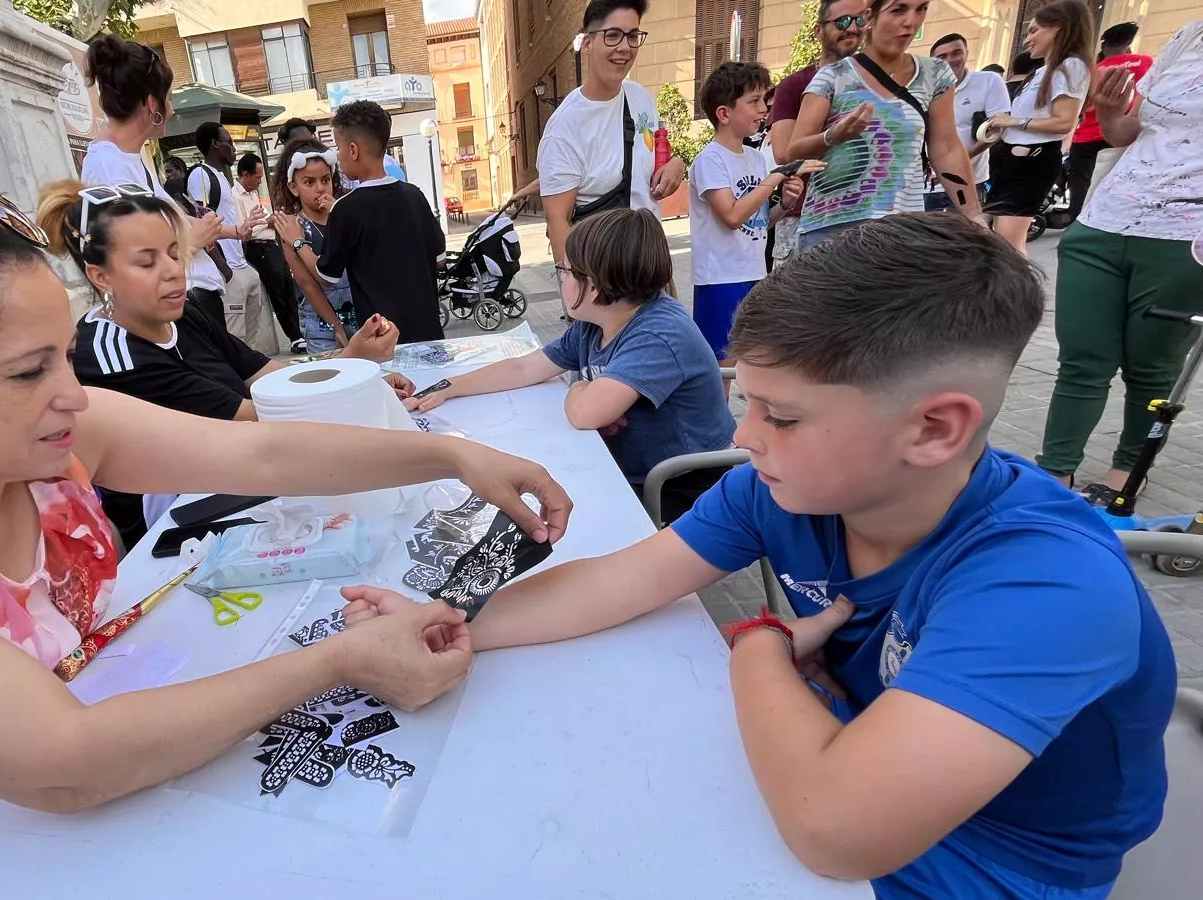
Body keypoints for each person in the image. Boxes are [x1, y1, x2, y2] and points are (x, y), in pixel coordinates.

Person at [0, 188, 571, 899]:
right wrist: (342, 662)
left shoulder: (45, 432)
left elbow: (260, 450)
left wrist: (453, 452)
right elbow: (65, 764)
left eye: (66, 352)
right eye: (30, 370)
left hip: (74, 829)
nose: (73, 391)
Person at [348, 214, 1176, 899]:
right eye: (746, 401)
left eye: (780, 416)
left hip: (991, 863)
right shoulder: (779, 491)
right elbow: (624, 580)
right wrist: (450, 622)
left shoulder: (1045, 580)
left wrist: (759, 650)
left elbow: (835, 830)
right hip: (840, 764)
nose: (743, 438)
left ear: (934, 428)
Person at [36, 180, 409, 545]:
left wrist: (351, 367)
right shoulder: (112, 356)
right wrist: (352, 377)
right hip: (180, 533)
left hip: (245, 481)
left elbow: (268, 375)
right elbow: (257, 417)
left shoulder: (184, 314)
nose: (172, 271)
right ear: (100, 276)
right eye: (146, 262)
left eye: (174, 253)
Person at [407, 208, 735, 523]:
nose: (558, 279)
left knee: (543, 507)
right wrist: (451, 386)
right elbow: (524, 368)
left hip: (679, 481)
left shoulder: (659, 334)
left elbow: (585, 413)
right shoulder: (595, 322)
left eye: (563, 271)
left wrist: (578, 385)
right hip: (631, 463)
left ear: (593, 285)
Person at [1037, 21, 1203, 502]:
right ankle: (1055, 472)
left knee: (1152, 367)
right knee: (1082, 359)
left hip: (1185, 237)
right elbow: (1125, 133)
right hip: (1104, 222)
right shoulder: (1188, 35)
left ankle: (1129, 469)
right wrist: (1109, 111)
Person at [791, 0, 982, 253]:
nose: (910, 21)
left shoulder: (935, 74)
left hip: (901, 230)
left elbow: (946, 149)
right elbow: (793, 152)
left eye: (921, 9)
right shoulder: (833, 76)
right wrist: (832, 136)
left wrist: (974, 216)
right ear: (871, 16)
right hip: (833, 229)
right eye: (898, 10)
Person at [75, 33, 230, 331]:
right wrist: (194, 238)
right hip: (175, 311)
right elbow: (134, 259)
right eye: (168, 98)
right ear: (151, 104)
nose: (171, 109)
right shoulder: (109, 166)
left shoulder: (129, 158)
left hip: (189, 303)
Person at [274, 100, 446, 344]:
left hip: (382, 337)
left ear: (353, 151)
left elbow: (325, 275)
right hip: (428, 330)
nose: (338, 156)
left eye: (339, 148)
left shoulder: (346, 208)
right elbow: (439, 260)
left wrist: (298, 242)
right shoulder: (414, 195)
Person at [536, 0, 687, 271]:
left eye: (632, 36)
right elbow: (558, 222)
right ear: (588, 43)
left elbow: (656, 157)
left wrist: (676, 165)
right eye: (613, 35)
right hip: (603, 278)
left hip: (652, 262)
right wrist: (575, 301)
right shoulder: (565, 128)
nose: (625, 47)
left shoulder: (640, 97)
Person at [689, 61, 811, 365]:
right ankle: (718, 415)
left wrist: (783, 206)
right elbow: (731, 216)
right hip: (720, 280)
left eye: (763, 100)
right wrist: (775, 178)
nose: (763, 109)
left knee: (755, 361)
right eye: (753, 101)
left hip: (755, 274)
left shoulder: (757, 159)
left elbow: (758, 222)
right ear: (724, 113)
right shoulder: (710, 160)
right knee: (722, 368)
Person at [982, 0, 1095, 253]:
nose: (1026, 39)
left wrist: (1013, 121)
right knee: (1000, 241)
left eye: (1033, 31)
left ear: (1057, 28)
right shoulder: (1045, 70)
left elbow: (1064, 122)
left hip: (1032, 162)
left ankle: (1019, 292)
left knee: (1008, 245)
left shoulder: (1071, 66)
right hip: (1013, 161)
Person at [769, 0, 866, 264]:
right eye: (841, 22)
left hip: (863, 214)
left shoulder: (878, 83)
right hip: (805, 216)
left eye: (859, 19)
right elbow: (783, 153)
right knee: (798, 302)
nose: (852, 28)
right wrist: (833, 135)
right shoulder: (794, 85)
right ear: (819, 31)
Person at [189, 122, 278, 356]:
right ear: (214, 144)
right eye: (228, 142)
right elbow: (202, 223)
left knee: (251, 341)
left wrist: (244, 228)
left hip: (241, 266)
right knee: (234, 340)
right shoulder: (201, 175)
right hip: (228, 270)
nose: (233, 148)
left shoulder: (221, 177)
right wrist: (224, 269)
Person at [270, 138, 360, 353]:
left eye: (326, 179)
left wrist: (338, 214)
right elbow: (306, 283)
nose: (320, 188)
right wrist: (336, 326)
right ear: (294, 187)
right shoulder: (292, 227)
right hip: (322, 326)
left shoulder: (345, 215)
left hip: (360, 315)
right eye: (309, 182)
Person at [1065, 22, 1151, 222]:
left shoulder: (1093, 69)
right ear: (1129, 44)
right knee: (1115, 183)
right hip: (1121, 133)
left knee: (1081, 182)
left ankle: (1078, 219)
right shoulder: (1144, 62)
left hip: (1085, 135)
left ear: (1104, 47)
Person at [925, 33, 1011, 212]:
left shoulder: (988, 81)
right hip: (927, 184)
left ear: (966, 53)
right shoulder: (924, 88)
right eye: (942, 57)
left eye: (956, 52)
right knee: (923, 236)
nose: (949, 60)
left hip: (969, 179)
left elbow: (997, 129)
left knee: (964, 235)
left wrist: (957, 161)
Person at [235, 152, 304, 351]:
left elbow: (264, 219)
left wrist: (272, 221)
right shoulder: (234, 197)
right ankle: (294, 336)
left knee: (288, 286)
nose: (259, 182)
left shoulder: (254, 195)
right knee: (277, 291)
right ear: (245, 174)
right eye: (256, 177)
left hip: (272, 244)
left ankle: (298, 331)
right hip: (257, 248)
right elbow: (244, 229)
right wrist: (267, 222)